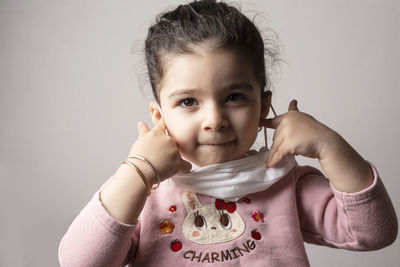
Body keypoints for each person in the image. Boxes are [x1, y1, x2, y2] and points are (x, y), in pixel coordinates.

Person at [58, 0, 397, 266]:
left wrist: (329, 145)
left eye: (234, 97)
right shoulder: (141, 193)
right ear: (159, 116)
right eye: (189, 101)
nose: (215, 119)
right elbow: (79, 262)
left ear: (263, 107)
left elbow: (374, 232)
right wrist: (138, 171)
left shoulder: (281, 181)